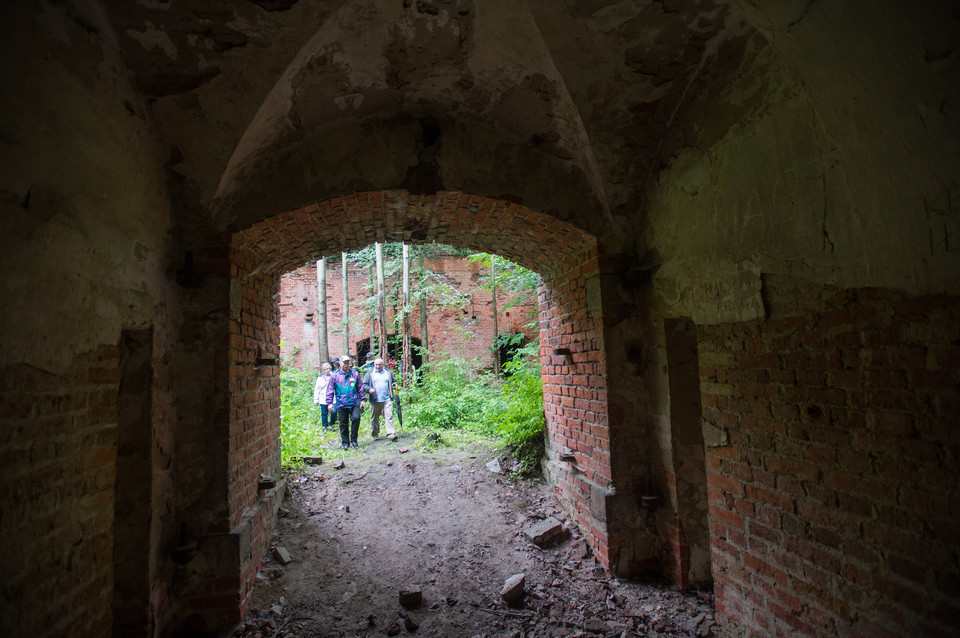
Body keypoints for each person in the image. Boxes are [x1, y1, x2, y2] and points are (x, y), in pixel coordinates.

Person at [326, 355, 366, 449]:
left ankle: (354, 440)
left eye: (348, 363)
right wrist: (330, 403)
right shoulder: (334, 376)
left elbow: (360, 387)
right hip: (341, 403)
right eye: (344, 363)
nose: (346, 365)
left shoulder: (355, 374)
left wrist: (363, 399)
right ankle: (345, 443)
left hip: (354, 402)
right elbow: (330, 390)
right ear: (340, 363)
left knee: (356, 418)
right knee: (343, 424)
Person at [363, 357, 398, 440]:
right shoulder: (370, 373)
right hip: (375, 399)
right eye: (376, 365)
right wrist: (369, 389)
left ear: (383, 364)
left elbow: (394, 381)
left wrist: (394, 385)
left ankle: (390, 433)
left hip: (387, 398)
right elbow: (364, 385)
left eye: (379, 365)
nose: (377, 366)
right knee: (374, 418)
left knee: (389, 416)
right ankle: (375, 434)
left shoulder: (388, 373)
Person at [312, 362, 332, 430]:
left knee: (333, 412)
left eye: (329, 368)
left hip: (332, 397)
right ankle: (325, 426)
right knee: (324, 413)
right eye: (326, 369)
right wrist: (316, 399)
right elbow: (317, 389)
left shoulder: (333, 376)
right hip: (323, 397)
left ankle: (332, 425)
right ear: (323, 369)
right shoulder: (320, 378)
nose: (328, 370)